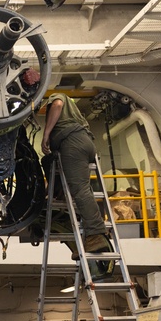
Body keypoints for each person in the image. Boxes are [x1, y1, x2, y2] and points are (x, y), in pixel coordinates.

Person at [41, 92, 110, 255]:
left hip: (72, 142)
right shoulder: (73, 112)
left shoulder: (57, 97)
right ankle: (61, 196)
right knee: (51, 165)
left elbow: (57, 105)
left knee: (80, 190)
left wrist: (46, 134)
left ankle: (96, 234)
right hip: (83, 141)